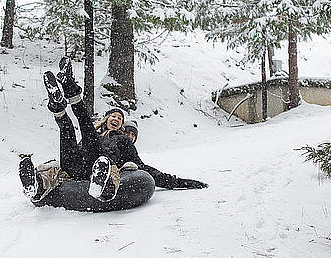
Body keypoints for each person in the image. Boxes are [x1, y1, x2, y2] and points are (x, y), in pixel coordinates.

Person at [19, 57, 208, 203]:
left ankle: (68, 96)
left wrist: (182, 182)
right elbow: (75, 144)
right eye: (114, 116)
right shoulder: (97, 134)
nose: (116, 119)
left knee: (84, 127)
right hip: (76, 164)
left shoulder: (123, 142)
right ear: (107, 119)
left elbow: (145, 169)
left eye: (120, 119)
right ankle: (61, 101)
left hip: (97, 164)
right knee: (69, 129)